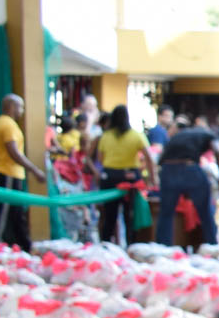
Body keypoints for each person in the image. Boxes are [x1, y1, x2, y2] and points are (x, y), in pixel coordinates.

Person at [94, 104, 157, 244]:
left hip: (109, 177)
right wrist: (152, 178)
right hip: (130, 179)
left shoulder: (106, 136)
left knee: (109, 216)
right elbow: (149, 158)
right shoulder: (136, 135)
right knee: (130, 216)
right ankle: (132, 245)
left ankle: (106, 246)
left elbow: (100, 158)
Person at [156, 115, 219, 247]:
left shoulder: (178, 137)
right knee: (205, 212)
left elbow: (160, 160)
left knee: (166, 213)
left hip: (168, 170)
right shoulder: (208, 134)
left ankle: (163, 248)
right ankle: (212, 245)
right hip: (189, 169)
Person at [0, 93, 37, 251]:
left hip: (5, 171)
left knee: (16, 212)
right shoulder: (8, 125)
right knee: (5, 211)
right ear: (11, 106)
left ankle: (23, 244)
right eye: (20, 107)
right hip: (7, 172)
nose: (22, 111)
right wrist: (34, 170)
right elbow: (14, 152)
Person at [50, 112, 94, 242]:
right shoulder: (75, 149)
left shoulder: (60, 138)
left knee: (81, 209)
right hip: (73, 183)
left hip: (69, 181)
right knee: (81, 209)